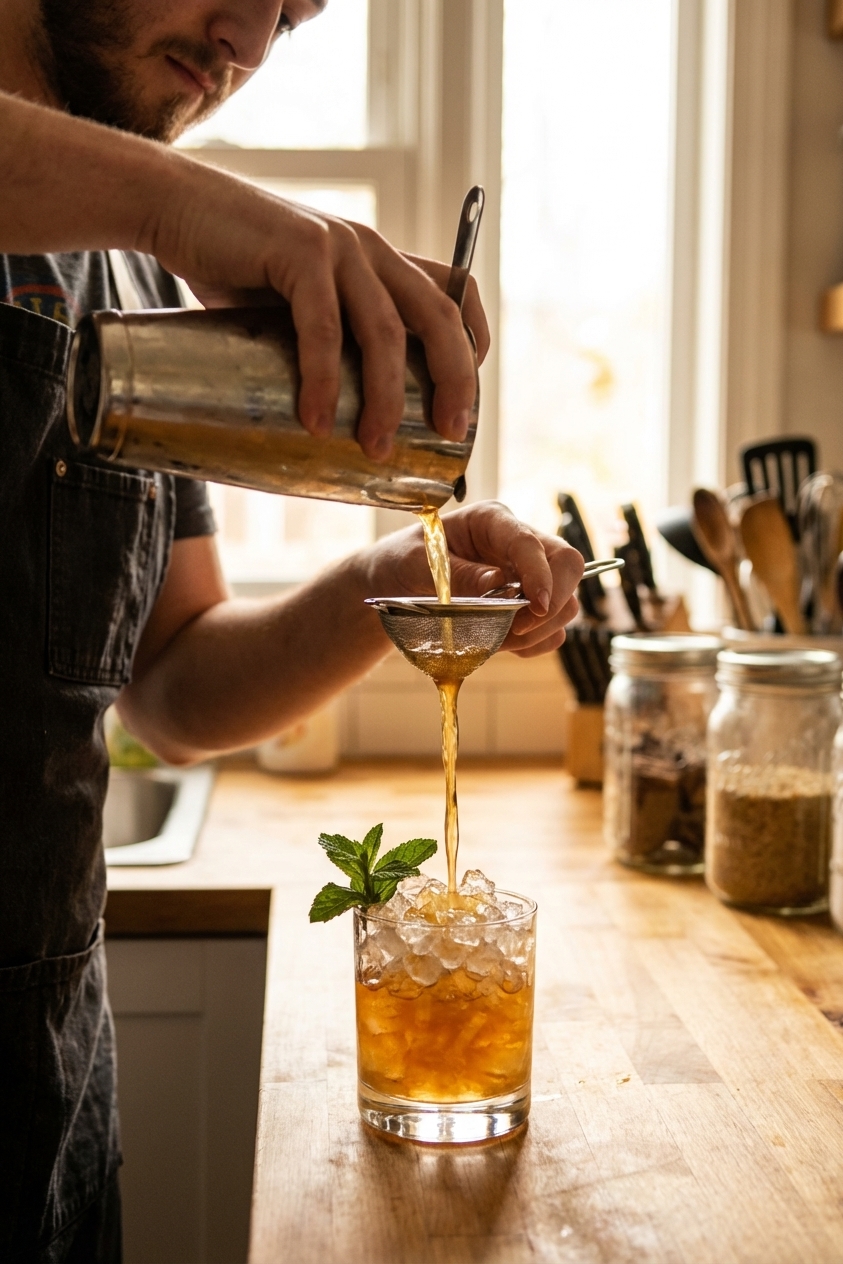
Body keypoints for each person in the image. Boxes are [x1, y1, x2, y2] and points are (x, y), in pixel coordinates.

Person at [0, 1, 584, 1259]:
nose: (251, 43)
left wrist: (399, 574)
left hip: (42, 1082)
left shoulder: (128, 268)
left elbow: (172, 684)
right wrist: (184, 202)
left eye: (297, 11)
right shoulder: (137, 210)